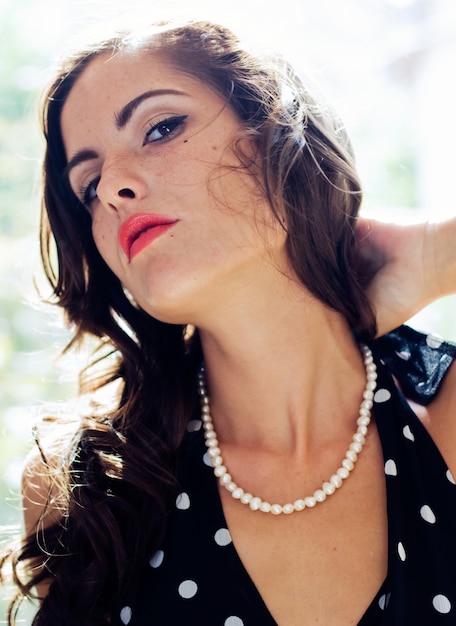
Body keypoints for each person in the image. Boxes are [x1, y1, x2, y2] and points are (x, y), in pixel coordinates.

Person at [2, 18, 456, 626]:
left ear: (275, 135)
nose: (112, 186)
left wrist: (436, 254)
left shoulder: (445, 418)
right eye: (87, 185)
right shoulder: (80, 488)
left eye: (160, 128)